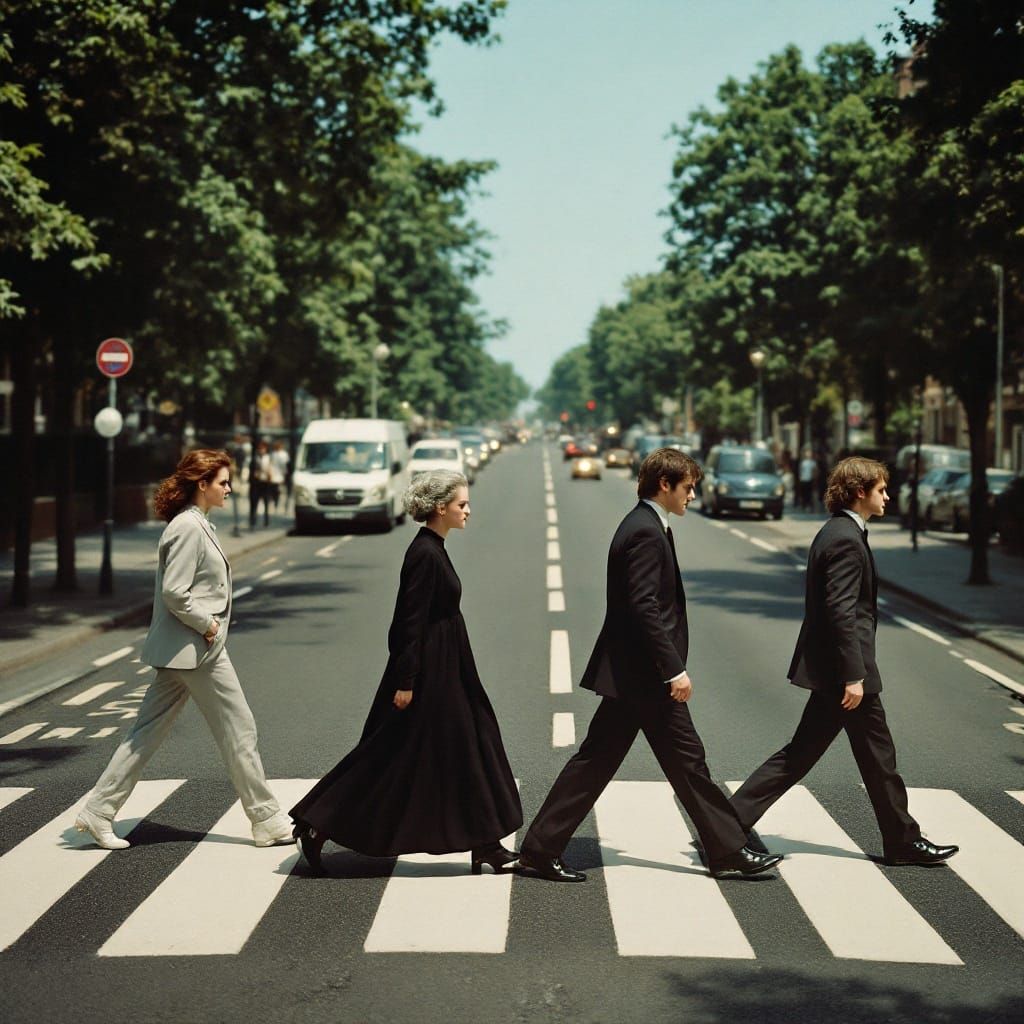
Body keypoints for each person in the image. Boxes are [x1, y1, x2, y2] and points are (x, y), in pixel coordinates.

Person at [517, 449, 783, 882]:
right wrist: (672, 669)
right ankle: (728, 850)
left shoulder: (646, 525)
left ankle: (540, 849)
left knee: (604, 762)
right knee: (684, 763)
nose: (693, 496)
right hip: (645, 676)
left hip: (634, 676)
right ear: (664, 484)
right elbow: (644, 607)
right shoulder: (644, 531)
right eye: (688, 487)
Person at [290, 470, 522, 875]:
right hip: (431, 674)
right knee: (392, 755)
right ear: (440, 508)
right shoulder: (424, 554)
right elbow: (407, 622)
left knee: (469, 746)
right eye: (462, 504)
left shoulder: (434, 548)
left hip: (449, 667)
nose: (468, 510)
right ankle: (316, 823)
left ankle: (486, 844)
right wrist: (406, 681)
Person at [730, 456, 958, 866]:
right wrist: (854, 675)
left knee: (837, 756)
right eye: (881, 489)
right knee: (862, 757)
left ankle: (726, 825)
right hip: (844, 672)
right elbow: (841, 611)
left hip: (838, 669)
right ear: (859, 492)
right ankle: (903, 842)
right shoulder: (845, 539)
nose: (888, 496)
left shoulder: (839, 531)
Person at [74, 449, 294, 851]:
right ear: (202, 484)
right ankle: (266, 819)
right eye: (223, 482)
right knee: (239, 728)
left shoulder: (195, 523)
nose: (229, 488)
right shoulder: (188, 528)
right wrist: (209, 625)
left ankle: (98, 811)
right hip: (196, 650)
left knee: (144, 735)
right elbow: (175, 592)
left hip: (184, 650)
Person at [249, 439, 272, 528]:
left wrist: (270, 474)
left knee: (266, 502)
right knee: (254, 502)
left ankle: (266, 521)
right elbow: (251, 470)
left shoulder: (268, 458)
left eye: (263, 448)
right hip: (256, 483)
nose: (261, 450)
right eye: (260, 448)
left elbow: (271, 468)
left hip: (265, 483)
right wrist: (254, 474)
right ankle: (252, 521)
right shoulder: (255, 458)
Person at [269, 440, 290, 512]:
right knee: (274, 489)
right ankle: (275, 502)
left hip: (281, 474)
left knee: (279, 490)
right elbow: (271, 464)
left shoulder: (284, 454)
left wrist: (285, 475)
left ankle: (279, 503)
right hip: (274, 474)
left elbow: (286, 465)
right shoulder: (273, 454)